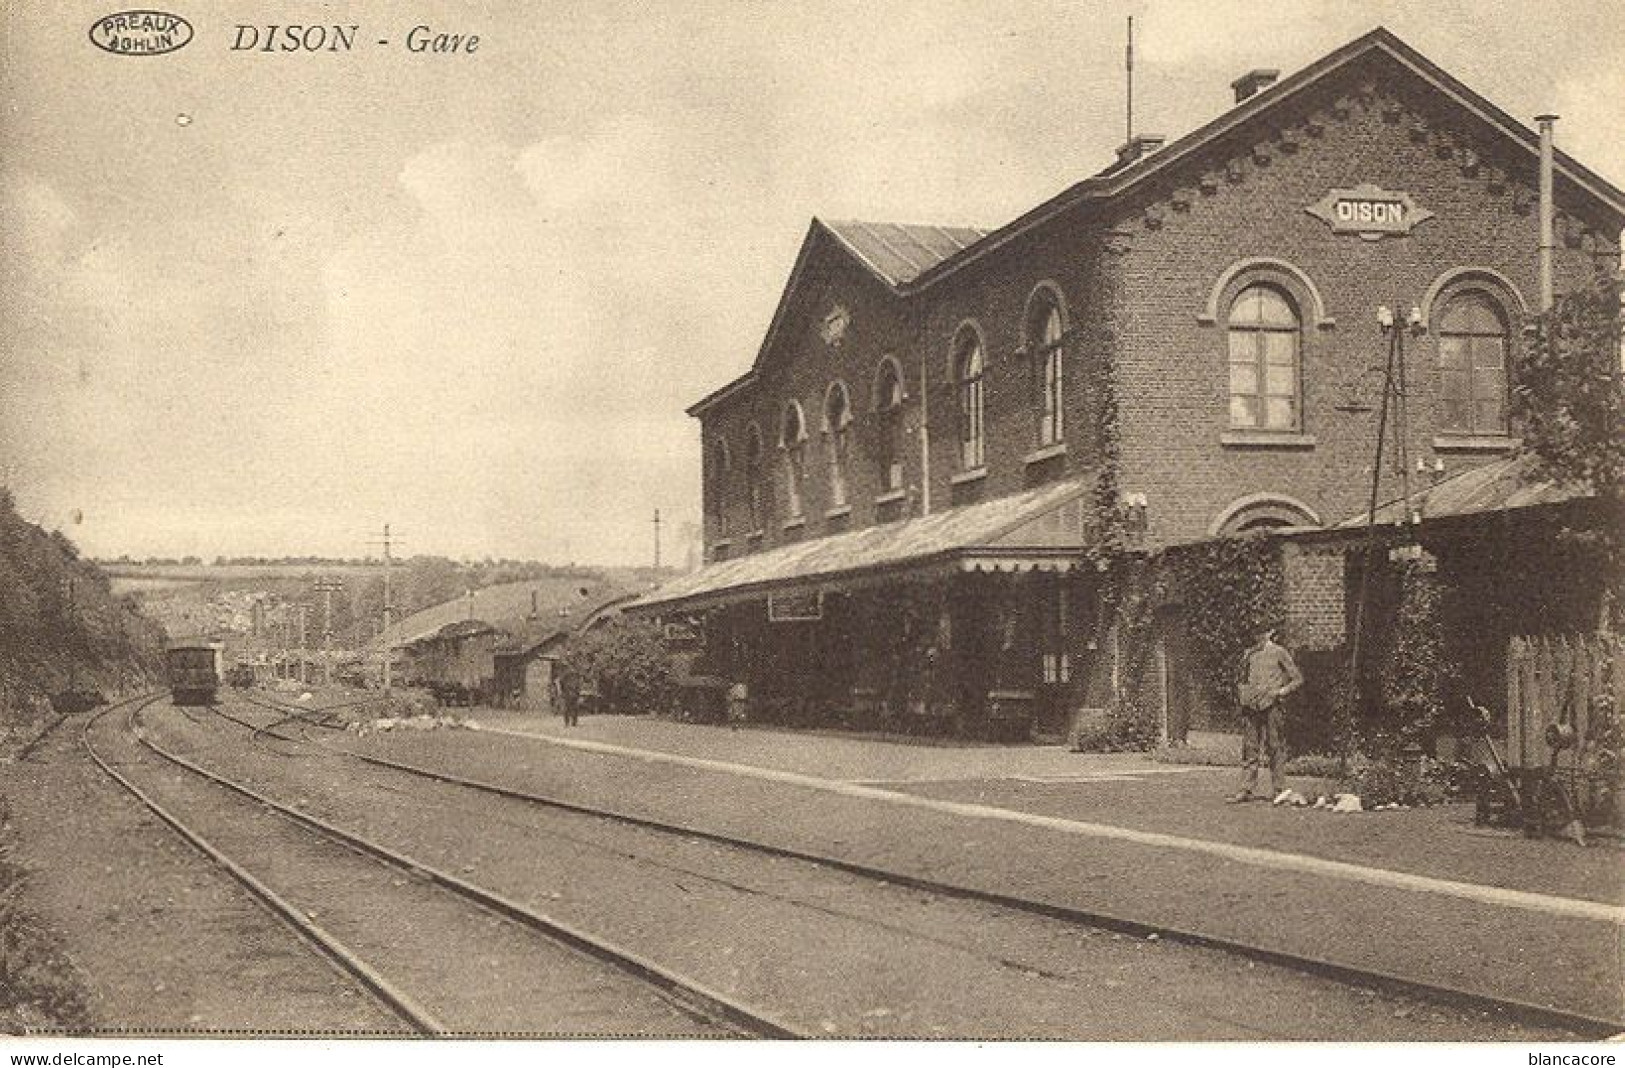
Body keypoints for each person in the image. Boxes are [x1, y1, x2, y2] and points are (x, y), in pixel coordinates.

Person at [1228, 626, 1302, 803]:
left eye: (1262, 632)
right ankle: (1246, 789)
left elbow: (1297, 678)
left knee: (1274, 746)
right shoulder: (1249, 654)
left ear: (1270, 633)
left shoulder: (1279, 652)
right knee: (1250, 747)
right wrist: (1243, 693)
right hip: (1251, 706)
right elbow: (1241, 678)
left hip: (1271, 706)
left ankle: (1279, 789)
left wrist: (1281, 692)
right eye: (1255, 633)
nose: (1258, 636)